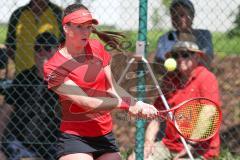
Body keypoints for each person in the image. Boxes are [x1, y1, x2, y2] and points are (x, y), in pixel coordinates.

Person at [43, 3, 158, 160]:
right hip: (75, 138)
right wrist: (125, 104)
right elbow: (87, 102)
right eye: (79, 27)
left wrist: (136, 103)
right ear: (66, 28)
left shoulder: (97, 47)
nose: (86, 32)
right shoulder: (53, 68)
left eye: (89, 27)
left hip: (104, 135)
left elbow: (113, 88)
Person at [129, 41, 221, 160]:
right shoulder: (170, 80)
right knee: (136, 157)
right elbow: (157, 116)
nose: (180, 58)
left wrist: (190, 146)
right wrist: (148, 142)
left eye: (185, 54)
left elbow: (209, 115)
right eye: (175, 56)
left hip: (201, 150)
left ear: (197, 57)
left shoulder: (206, 78)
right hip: (169, 146)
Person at [2, 32, 61, 160]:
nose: (41, 53)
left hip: (52, 143)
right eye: (37, 48)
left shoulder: (64, 81)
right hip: (19, 140)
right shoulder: (23, 77)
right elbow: (7, 110)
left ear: (57, 51)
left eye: (47, 48)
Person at [5, 0, 64, 74]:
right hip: (22, 73)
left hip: (52, 73)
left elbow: (65, 43)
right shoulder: (18, 14)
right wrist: (20, 61)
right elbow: (10, 44)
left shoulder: (58, 13)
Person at [155, 0, 213, 67]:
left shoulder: (203, 35)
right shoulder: (166, 38)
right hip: (173, 76)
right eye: (174, 15)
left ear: (192, 16)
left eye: (182, 15)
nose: (177, 18)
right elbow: (159, 63)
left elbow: (207, 59)